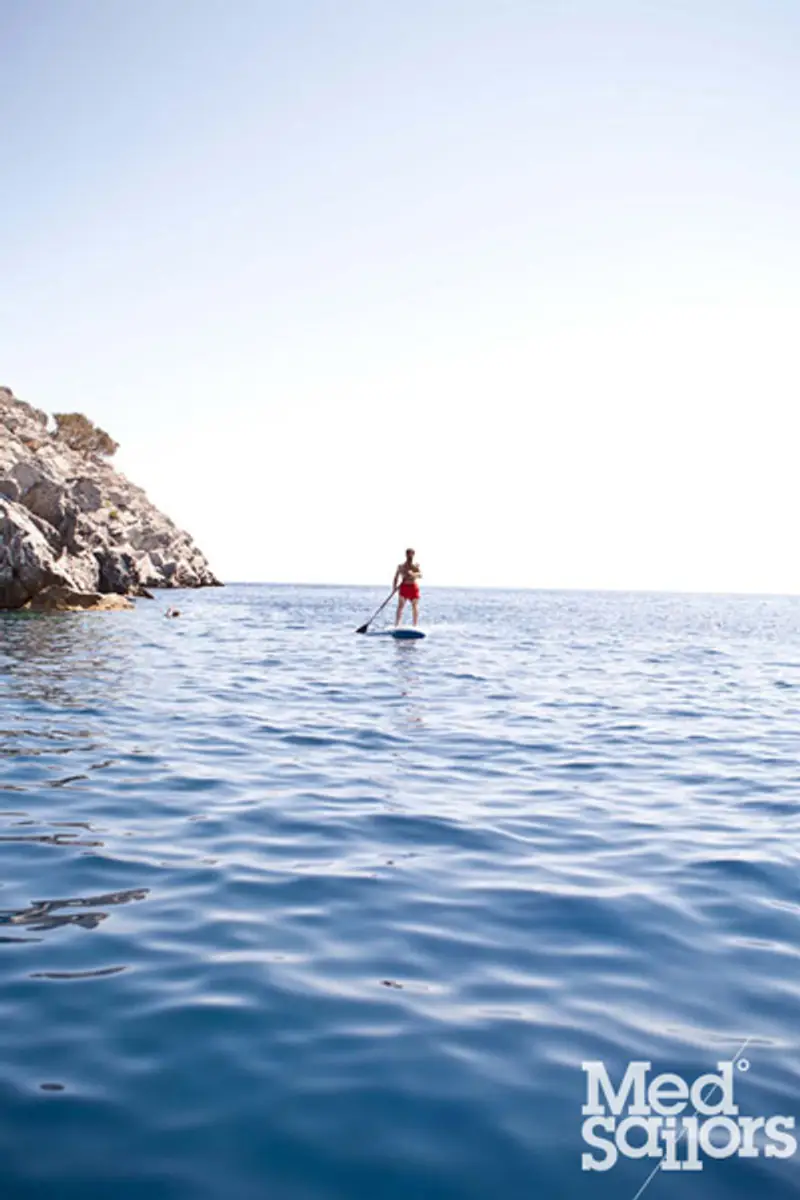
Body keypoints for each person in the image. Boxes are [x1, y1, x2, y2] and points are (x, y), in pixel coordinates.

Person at [393, 548, 422, 626]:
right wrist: (394, 587)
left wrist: (413, 574)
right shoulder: (401, 566)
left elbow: (420, 575)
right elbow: (396, 577)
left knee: (414, 606)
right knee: (400, 606)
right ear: (406, 555)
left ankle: (415, 625)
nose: (410, 556)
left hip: (413, 587)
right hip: (404, 587)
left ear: (413, 555)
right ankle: (396, 625)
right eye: (408, 554)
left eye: (411, 554)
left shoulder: (415, 566)